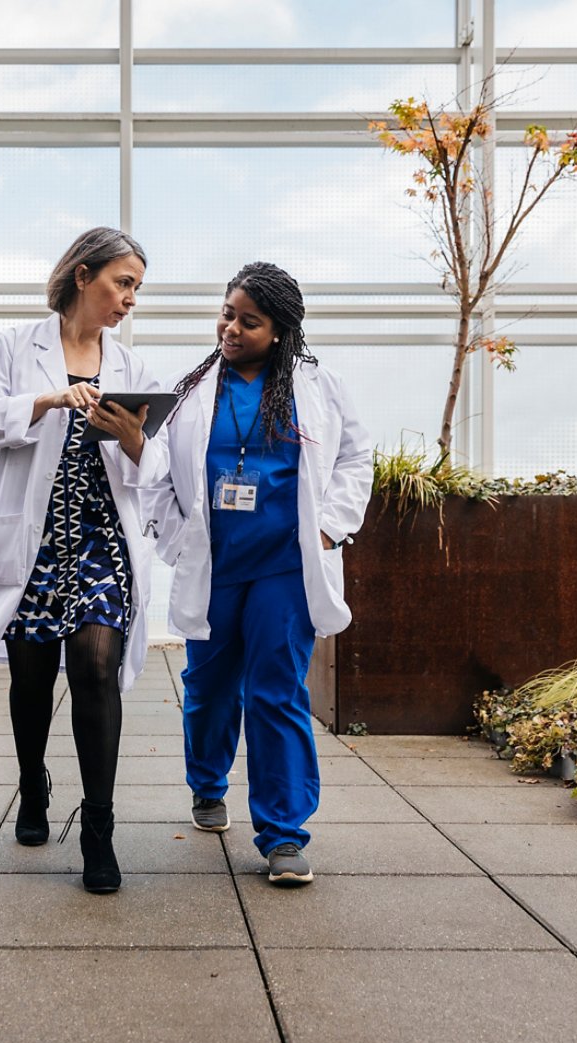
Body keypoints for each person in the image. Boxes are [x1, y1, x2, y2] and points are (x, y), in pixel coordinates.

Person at [0, 227, 166, 894]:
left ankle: (98, 828)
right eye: (121, 282)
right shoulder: (17, 348)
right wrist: (44, 401)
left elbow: (155, 467)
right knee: (33, 679)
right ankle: (32, 783)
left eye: (135, 288)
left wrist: (132, 437)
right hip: (35, 546)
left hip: (102, 543)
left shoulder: (131, 370)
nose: (129, 299)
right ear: (83, 275)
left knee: (98, 666)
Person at [143, 261, 372, 885]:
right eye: (227, 313)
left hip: (286, 567)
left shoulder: (317, 385)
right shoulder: (189, 387)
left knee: (277, 691)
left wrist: (328, 529)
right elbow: (156, 469)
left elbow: (356, 456)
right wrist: (176, 536)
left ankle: (284, 834)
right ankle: (207, 782)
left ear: (280, 331)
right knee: (210, 688)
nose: (231, 329)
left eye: (249, 321)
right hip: (214, 564)